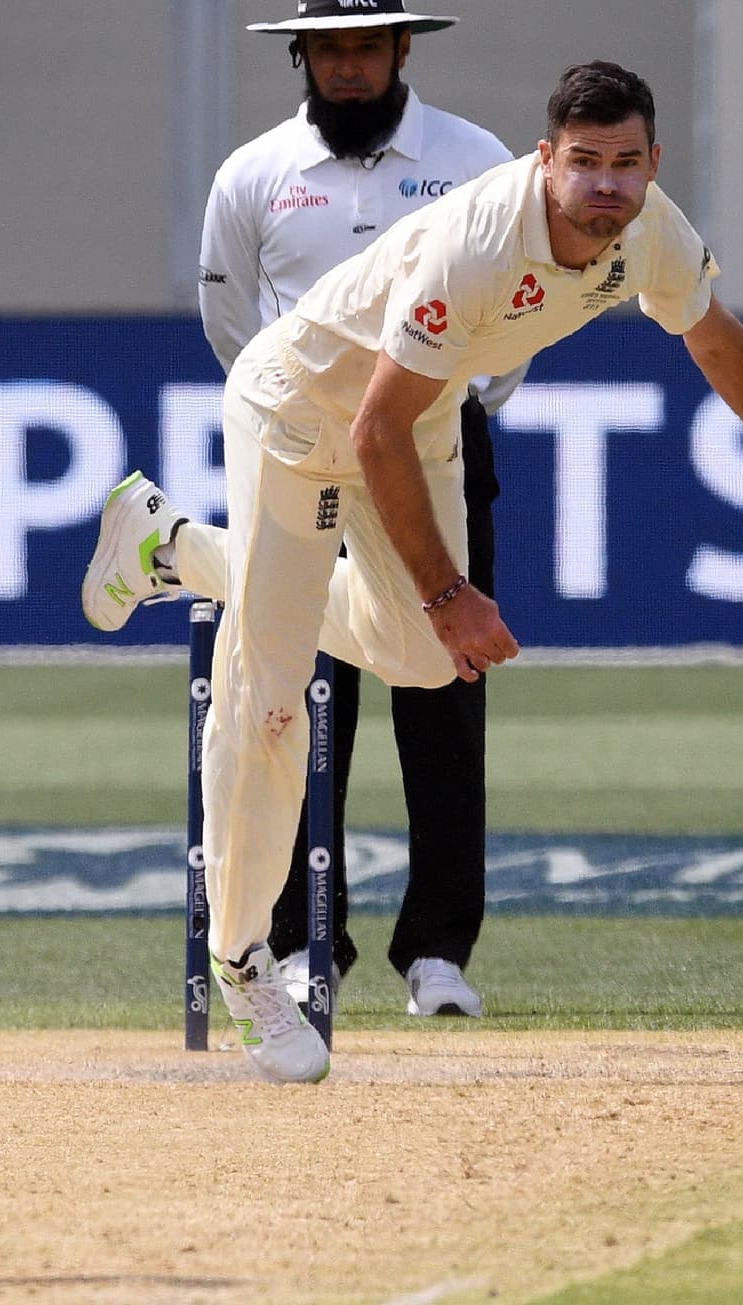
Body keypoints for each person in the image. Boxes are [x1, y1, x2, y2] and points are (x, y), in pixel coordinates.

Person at [84, 62, 743, 1083]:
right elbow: (371, 428)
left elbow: (710, 333)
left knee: (425, 664)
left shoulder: (650, 229)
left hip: (421, 422)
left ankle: (171, 547)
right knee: (271, 702)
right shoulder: (478, 241)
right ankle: (243, 957)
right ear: (547, 160)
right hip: (300, 418)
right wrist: (450, 589)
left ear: (652, 162)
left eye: (626, 164)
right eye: (585, 165)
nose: (607, 186)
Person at [196, 0, 519, 1021]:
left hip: (431, 448)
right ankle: (300, 944)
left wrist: (459, 403)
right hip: (300, 452)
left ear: (402, 49)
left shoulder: (473, 159)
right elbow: (228, 315)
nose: (347, 68)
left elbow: (513, 307)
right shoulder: (254, 173)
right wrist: (298, 418)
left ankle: (437, 954)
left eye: (365, 47)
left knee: (443, 688)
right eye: (329, 48)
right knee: (287, 682)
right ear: (301, 54)